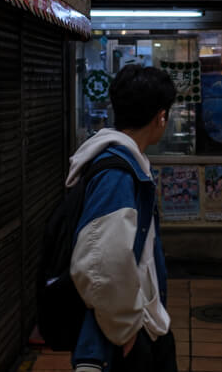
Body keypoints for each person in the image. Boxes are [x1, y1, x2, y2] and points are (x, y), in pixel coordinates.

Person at [67, 64, 178, 372]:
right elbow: (102, 261)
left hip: (144, 323)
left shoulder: (128, 162)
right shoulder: (117, 173)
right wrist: (126, 329)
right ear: (161, 117)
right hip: (125, 338)